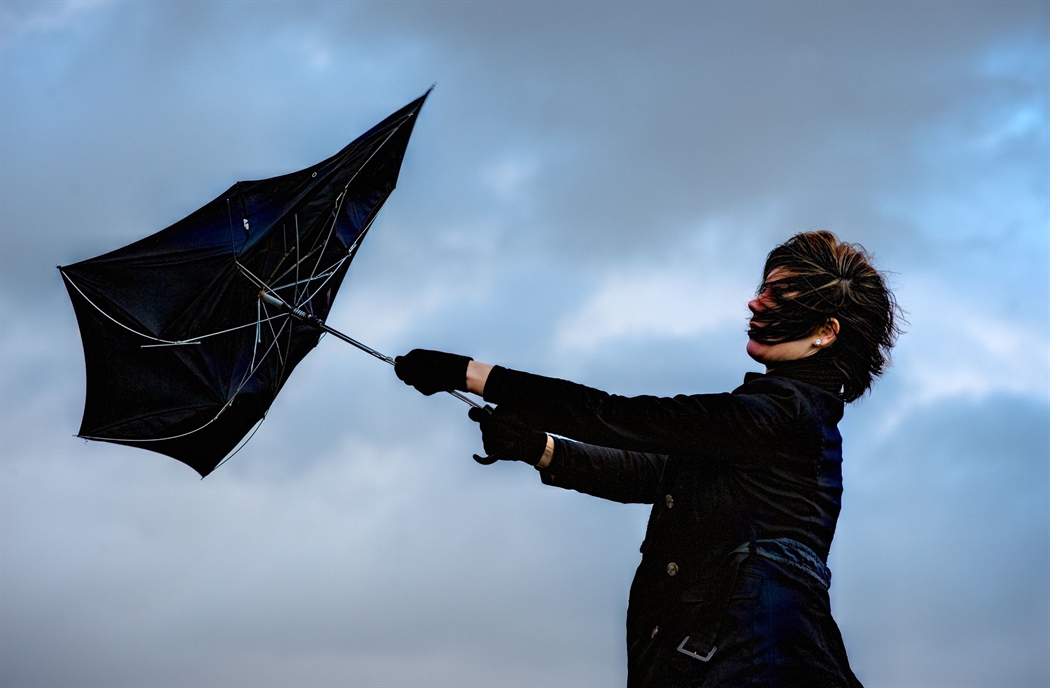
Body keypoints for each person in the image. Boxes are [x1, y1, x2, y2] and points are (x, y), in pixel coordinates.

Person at [394, 230, 901, 687]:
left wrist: (472, 374)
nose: (754, 301)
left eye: (777, 294)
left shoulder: (784, 414)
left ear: (826, 331)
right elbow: (656, 472)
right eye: (762, 288)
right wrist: (538, 449)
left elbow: (618, 416)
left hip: (749, 661)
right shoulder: (781, 420)